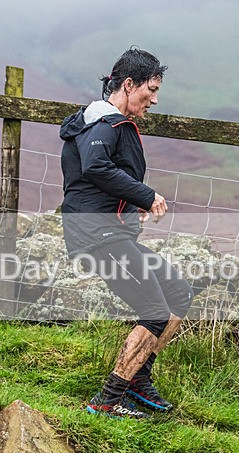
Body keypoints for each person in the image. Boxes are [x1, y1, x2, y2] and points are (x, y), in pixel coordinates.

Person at [59, 47, 194, 419]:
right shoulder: (104, 124)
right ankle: (106, 400)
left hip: (110, 232)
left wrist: (132, 208)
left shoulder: (106, 123)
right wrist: (146, 196)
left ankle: (136, 378)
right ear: (129, 84)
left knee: (178, 294)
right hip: (96, 235)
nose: (154, 98)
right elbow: (96, 167)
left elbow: (104, 178)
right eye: (150, 89)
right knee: (154, 311)